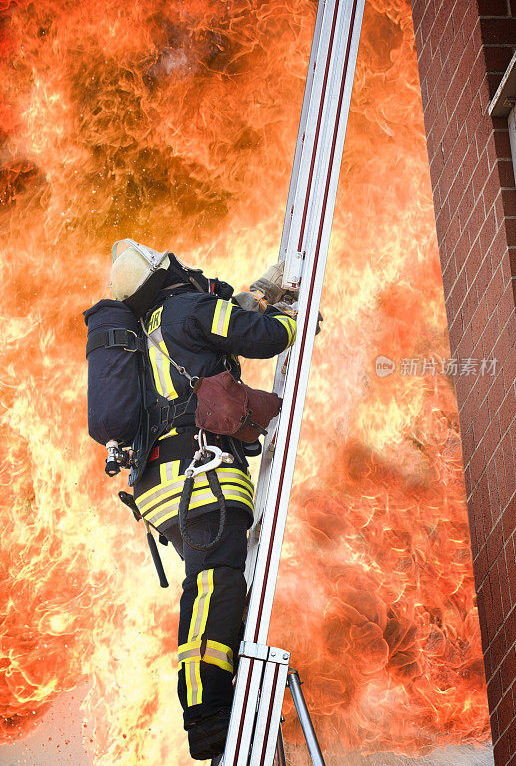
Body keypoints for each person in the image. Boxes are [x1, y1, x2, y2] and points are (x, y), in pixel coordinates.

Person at [108, 239, 297, 760]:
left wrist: (257, 294)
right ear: (164, 271)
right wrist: (293, 317)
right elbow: (258, 335)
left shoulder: (144, 336)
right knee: (215, 581)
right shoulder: (186, 308)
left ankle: (220, 687)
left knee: (216, 583)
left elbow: (229, 323)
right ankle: (206, 709)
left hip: (162, 487)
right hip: (201, 478)